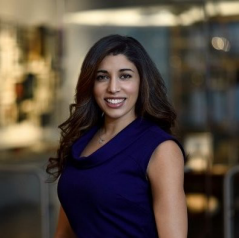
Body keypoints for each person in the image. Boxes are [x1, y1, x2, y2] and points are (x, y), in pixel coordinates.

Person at [46, 34, 187, 238]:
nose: (113, 88)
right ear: (91, 84)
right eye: (102, 77)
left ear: (141, 82)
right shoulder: (79, 141)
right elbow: (65, 231)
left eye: (125, 76)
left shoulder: (161, 149)